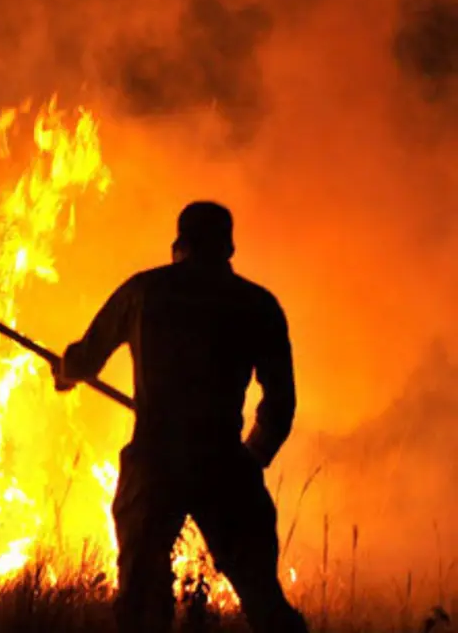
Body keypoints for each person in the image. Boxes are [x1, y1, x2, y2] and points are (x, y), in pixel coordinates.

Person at [52, 201, 308, 633]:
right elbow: (280, 401)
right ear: (229, 246)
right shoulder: (257, 305)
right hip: (224, 462)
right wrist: (253, 456)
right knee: (264, 599)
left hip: (155, 463)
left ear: (179, 244)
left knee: (140, 601)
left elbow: (85, 358)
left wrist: (66, 370)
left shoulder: (143, 293)